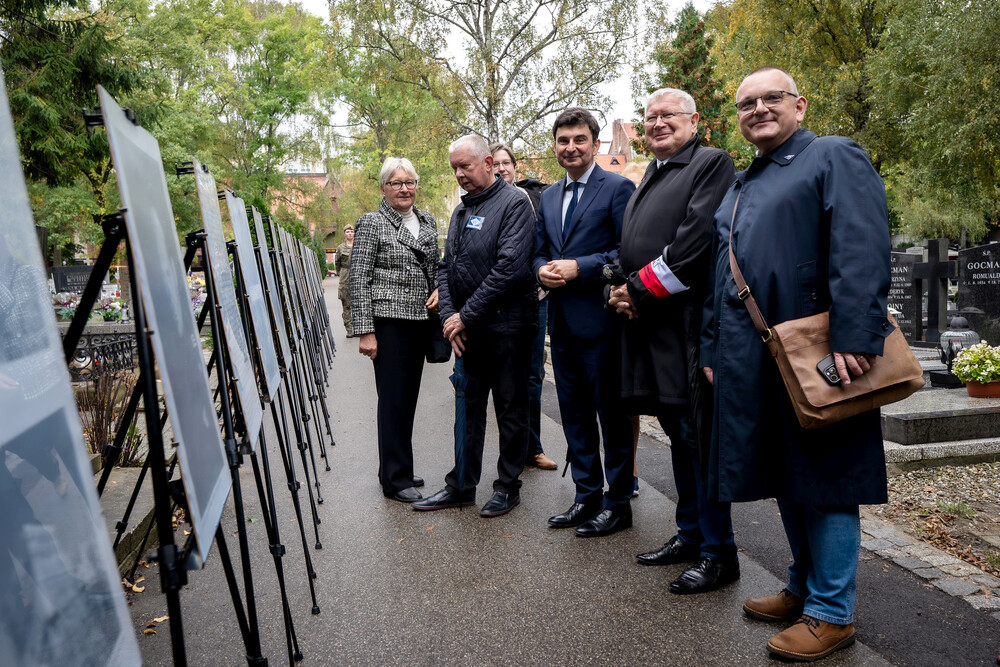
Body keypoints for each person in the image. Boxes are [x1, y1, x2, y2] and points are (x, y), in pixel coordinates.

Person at [701, 66, 891, 661]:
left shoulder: (832, 155)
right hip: (756, 358)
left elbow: (861, 246)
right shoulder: (743, 181)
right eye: (746, 103)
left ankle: (832, 614)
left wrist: (856, 338)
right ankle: (804, 587)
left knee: (829, 476)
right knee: (788, 472)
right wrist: (712, 350)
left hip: (821, 354)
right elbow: (720, 278)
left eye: (771, 98)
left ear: (800, 104)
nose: (758, 109)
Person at [607, 88, 737, 592]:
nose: (658, 124)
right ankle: (689, 533)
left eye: (669, 116)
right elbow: (629, 245)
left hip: (685, 326)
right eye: (650, 117)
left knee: (696, 440)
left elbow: (693, 244)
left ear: (694, 120)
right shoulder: (653, 172)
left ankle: (719, 552)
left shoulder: (710, 163)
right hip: (649, 328)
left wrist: (635, 289)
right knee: (678, 438)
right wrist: (617, 289)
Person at [413, 135, 537, 518]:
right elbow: (446, 267)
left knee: (509, 408)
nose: (459, 174)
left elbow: (510, 269)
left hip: (508, 329)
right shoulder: (462, 210)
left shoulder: (516, 203)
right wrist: (453, 318)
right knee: (467, 408)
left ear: (488, 162)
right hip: (469, 333)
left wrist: (464, 316)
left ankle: (507, 486)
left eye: (465, 166)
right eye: (454, 168)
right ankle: (461, 485)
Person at [533, 108, 636, 537]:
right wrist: (539, 270)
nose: (570, 148)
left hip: (604, 324)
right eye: (563, 141)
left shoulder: (618, 189)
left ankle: (617, 504)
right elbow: (538, 251)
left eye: (579, 140)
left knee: (611, 418)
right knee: (574, 415)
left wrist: (581, 267)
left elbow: (626, 252)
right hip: (562, 324)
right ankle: (586, 495)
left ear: (595, 144)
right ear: (555, 146)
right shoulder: (550, 196)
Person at [349, 157, 439, 504]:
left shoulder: (427, 219)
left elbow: (436, 266)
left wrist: (439, 289)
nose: (404, 189)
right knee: (393, 400)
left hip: (421, 321)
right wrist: (365, 331)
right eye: (396, 183)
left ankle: (398, 465)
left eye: (410, 182)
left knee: (408, 399)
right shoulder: (372, 222)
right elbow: (358, 277)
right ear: (383, 188)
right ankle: (395, 479)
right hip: (389, 324)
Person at [489, 142, 558, 471]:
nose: (502, 168)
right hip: (497, 306)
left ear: (515, 167)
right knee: (504, 379)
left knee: (532, 377)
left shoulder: (536, 200)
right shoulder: (480, 204)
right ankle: (512, 451)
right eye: (496, 164)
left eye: (507, 163)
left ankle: (533, 448)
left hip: (535, 299)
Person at [334, 225, 355, 337]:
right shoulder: (341, 248)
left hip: (357, 277)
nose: (350, 233)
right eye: (348, 231)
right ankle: (349, 329)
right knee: (346, 304)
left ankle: (358, 328)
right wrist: (341, 274)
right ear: (344, 233)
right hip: (345, 277)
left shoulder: (358, 246)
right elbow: (337, 263)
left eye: (352, 231)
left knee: (357, 304)